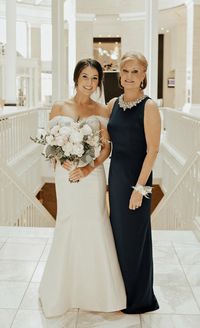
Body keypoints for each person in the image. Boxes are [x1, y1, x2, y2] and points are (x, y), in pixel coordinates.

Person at [39, 58, 126, 318]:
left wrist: (89, 168)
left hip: (92, 177)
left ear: (99, 82)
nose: (89, 83)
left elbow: (107, 147)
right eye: (85, 77)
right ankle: (62, 292)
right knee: (67, 225)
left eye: (95, 78)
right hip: (66, 178)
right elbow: (50, 142)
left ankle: (102, 294)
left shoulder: (103, 109)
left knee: (96, 226)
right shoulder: (58, 106)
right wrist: (61, 158)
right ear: (76, 78)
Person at [107, 51, 160, 314]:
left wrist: (140, 189)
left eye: (135, 71)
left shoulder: (149, 106)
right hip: (116, 178)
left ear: (143, 76)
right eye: (126, 71)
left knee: (135, 239)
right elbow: (102, 139)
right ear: (120, 74)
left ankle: (138, 298)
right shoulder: (113, 104)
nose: (129, 76)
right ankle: (119, 294)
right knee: (117, 236)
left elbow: (153, 151)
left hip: (138, 181)